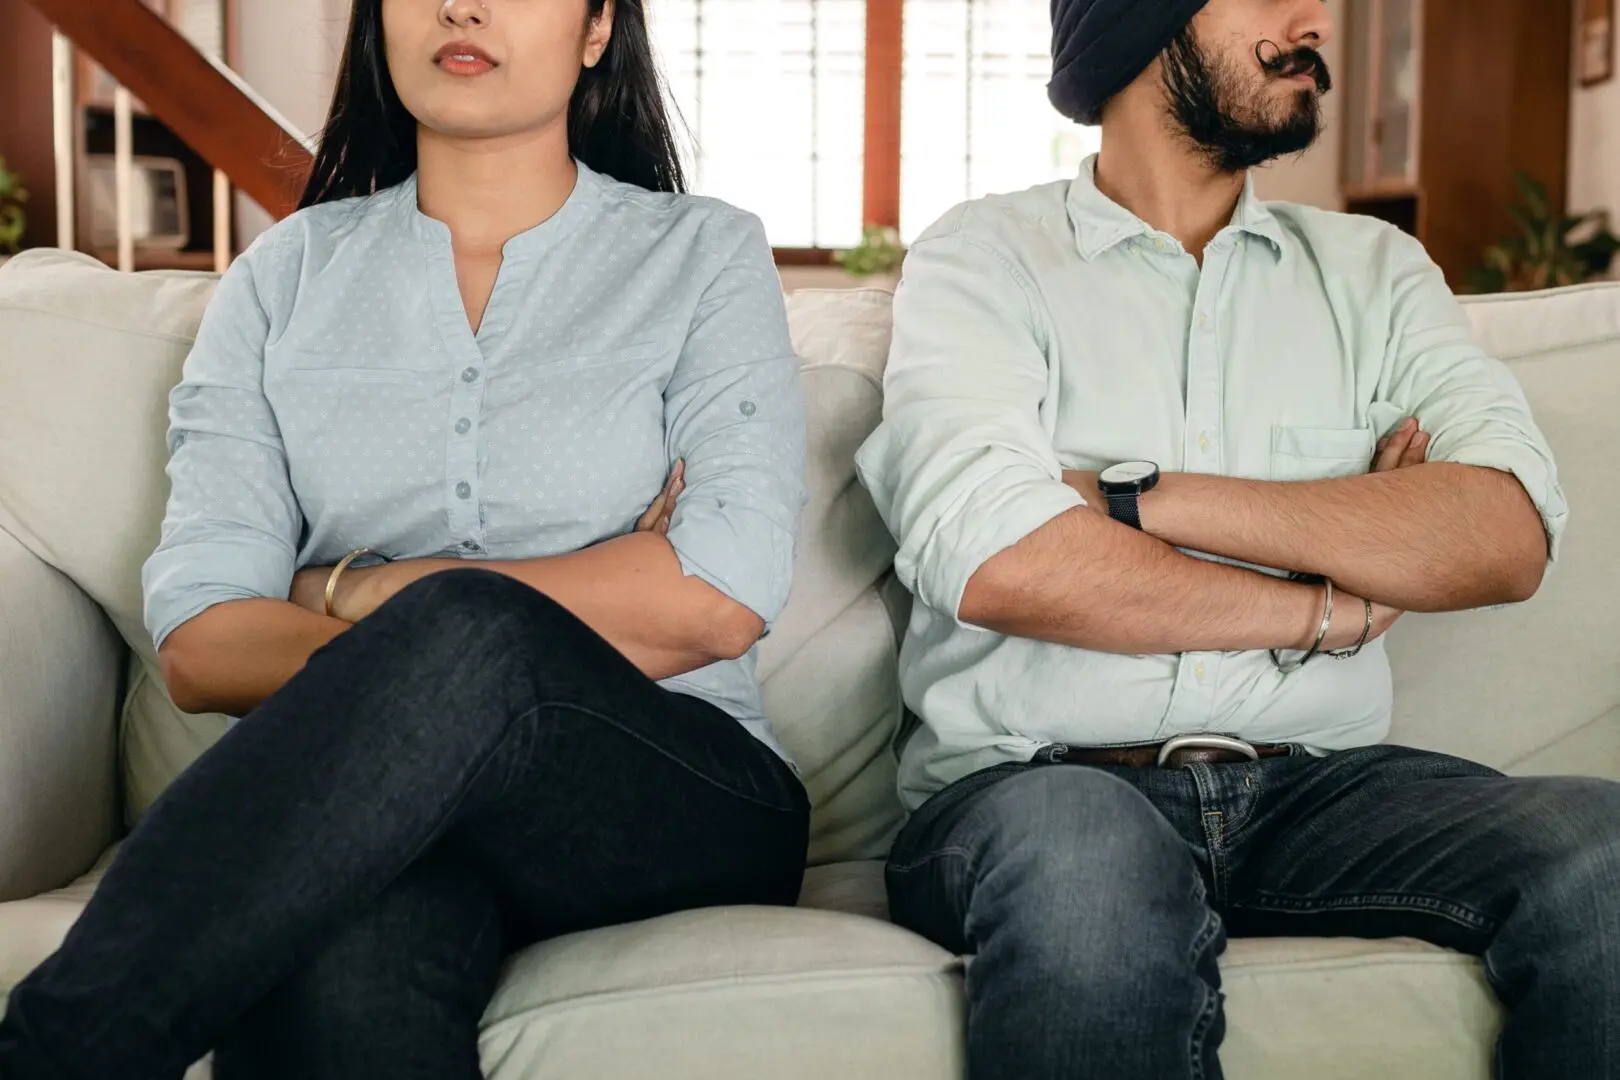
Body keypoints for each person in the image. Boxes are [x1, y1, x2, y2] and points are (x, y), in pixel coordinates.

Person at [0, 1, 810, 1077]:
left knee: (468, 630)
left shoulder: (703, 255)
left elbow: (713, 596)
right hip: (384, 816)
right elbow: (201, 644)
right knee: (343, 958)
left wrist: (355, 591)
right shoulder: (283, 279)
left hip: (672, 792)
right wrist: (567, 598)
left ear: (597, 26)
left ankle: (56, 1051)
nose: (462, 6)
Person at [854, 0, 1619, 1077]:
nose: (1316, 20)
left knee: (1607, 853)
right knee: (1090, 876)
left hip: (1319, 790)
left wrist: (1137, 498)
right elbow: (1000, 557)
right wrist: (1329, 605)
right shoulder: (985, 257)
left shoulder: (1374, 273)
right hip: (1041, 787)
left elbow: (1503, 532)